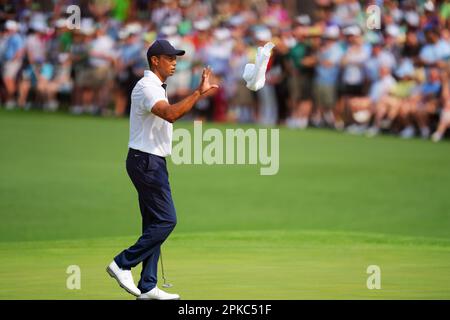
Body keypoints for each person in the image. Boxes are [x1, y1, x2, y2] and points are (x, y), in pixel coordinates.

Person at [106, 39, 218, 300]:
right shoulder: (147, 87)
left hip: (149, 160)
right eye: (170, 58)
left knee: (154, 222)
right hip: (146, 162)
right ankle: (123, 263)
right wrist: (198, 93)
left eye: (175, 58)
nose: (175, 62)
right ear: (155, 60)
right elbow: (170, 114)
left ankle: (148, 286)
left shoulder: (155, 86)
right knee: (167, 220)